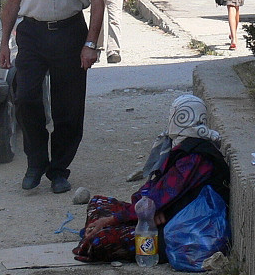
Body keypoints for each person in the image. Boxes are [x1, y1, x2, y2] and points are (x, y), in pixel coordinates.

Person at [0, 0, 108, 194]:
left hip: (70, 32)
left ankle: (59, 169)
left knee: (68, 109)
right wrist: (4, 43)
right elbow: (12, 0)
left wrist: (91, 44)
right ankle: (36, 162)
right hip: (32, 33)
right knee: (26, 98)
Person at [72, 94, 230, 263]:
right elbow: (154, 190)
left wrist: (113, 220)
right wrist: (150, 210)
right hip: (163, 212)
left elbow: (160, 197)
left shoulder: (195, 157)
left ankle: (92, 237)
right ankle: (93, 233)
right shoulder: (180, 147)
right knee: (98, 203)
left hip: (178, 228)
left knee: (100, 240)